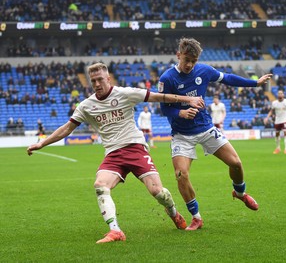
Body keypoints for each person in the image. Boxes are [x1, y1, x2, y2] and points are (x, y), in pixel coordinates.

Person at [27, 62, 206, 243]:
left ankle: (174, 212)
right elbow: (67, 129)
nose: (97, 84)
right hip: (113, 154)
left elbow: (159, 97)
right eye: (93, 80)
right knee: (100, 185)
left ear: (108, 79)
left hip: (135, 148)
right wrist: (43, 143)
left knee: (158, 192)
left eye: (100, 80)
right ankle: (115, 230)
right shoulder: (86, 105)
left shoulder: (125, 93)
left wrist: (187, 99)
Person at [159, 37, 273, 230]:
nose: (189, 65)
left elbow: (228, 78)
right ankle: (196, 217)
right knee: (181, 174)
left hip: (206, 128)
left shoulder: (204, 70)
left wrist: (255, 83)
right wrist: (181, 112)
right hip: (181, 134)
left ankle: (239, 193)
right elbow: (164, 108)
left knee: (236, 163)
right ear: (178, 55)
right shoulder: (167, 78)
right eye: (186, 60)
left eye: (193, 61)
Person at [264, 90, 286, 154]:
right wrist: (267, 118)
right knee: (277, 134)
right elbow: (271, 111)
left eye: (281, 93)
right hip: (277, 120)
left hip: (285, 120)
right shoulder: (274, 103)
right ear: (277, 95)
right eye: (279, 93)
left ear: (283, 95)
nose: (280, 95)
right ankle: (278, 148)